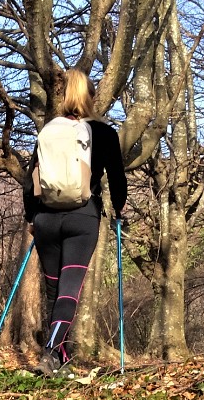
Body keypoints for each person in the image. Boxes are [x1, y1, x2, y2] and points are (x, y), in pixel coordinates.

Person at [24, 69, 127, 377]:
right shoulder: (103, 133)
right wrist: (119, 209)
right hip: (82, 217)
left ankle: (61, 355)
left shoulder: (50, 131)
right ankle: (51, 354)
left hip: (45, 219)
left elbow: (32, 180)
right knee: (69, 292)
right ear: (90, 98)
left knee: (55, 293)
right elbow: (117, 179)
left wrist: (31, 217)